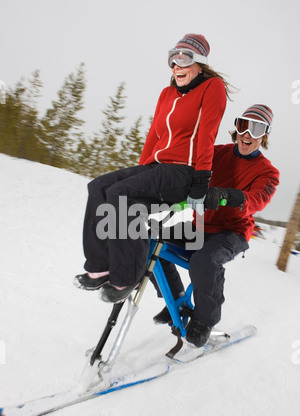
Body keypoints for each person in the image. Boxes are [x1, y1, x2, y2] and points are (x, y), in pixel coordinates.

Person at [74, 34, 230, 303]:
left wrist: (201, 182)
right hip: (157, 168)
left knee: (121, 195)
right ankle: (101, 267)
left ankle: (127, 276)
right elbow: (153, 137)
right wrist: (140, 172)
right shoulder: (167, 94)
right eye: (172, 60)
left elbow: (206, 135)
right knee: (99, 186)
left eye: (184, 58)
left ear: (200, 62)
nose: (176, 66)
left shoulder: (212, 87)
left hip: (184, 172)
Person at [153, 104, 280, 348]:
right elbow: (188, 173)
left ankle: (205, 319)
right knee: (151, 240)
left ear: (264, 136)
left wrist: (230, 195)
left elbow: (257, 200)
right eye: (244, 125)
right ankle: (175, 299)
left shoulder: (268, 172)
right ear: (237, 128)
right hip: (199, 226)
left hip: (231, 232)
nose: (248, 135)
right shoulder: (215, 153)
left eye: (257, 129)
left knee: (205, 261)